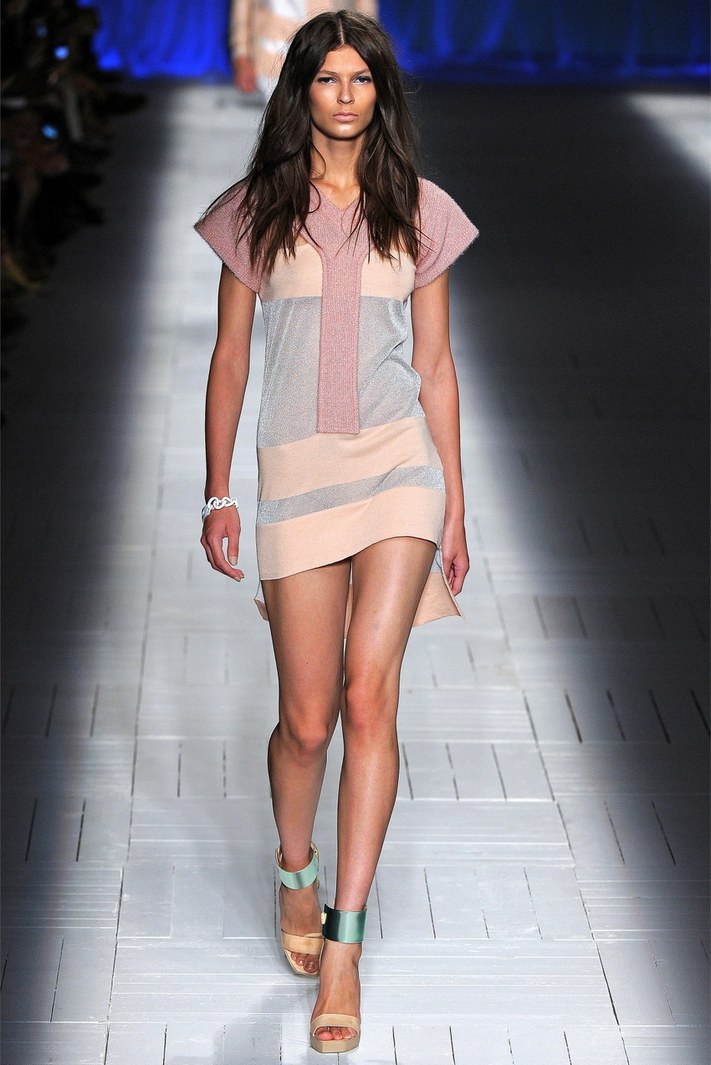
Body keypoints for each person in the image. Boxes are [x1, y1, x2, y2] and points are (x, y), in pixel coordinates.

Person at [195, 10, 477, 1054]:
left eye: (363, 79)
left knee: (370, 697)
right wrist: (217, 492)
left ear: (381, 94)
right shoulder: (257, 207)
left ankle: (346, 942)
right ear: (302, 90)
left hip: (399, 468)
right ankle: (295, 867)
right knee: (307, 721)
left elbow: (436, 365)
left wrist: (455, 501)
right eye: (329, 78)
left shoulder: (421, 208)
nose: (347, 95)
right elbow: (231, 358)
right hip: (297, 473)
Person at [230, 0, 378, 99]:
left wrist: (367, 51)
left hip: (330, 51)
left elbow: (365, 8)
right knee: (281, 127)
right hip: (272, 54)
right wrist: (241, 55)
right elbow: (243, 6)